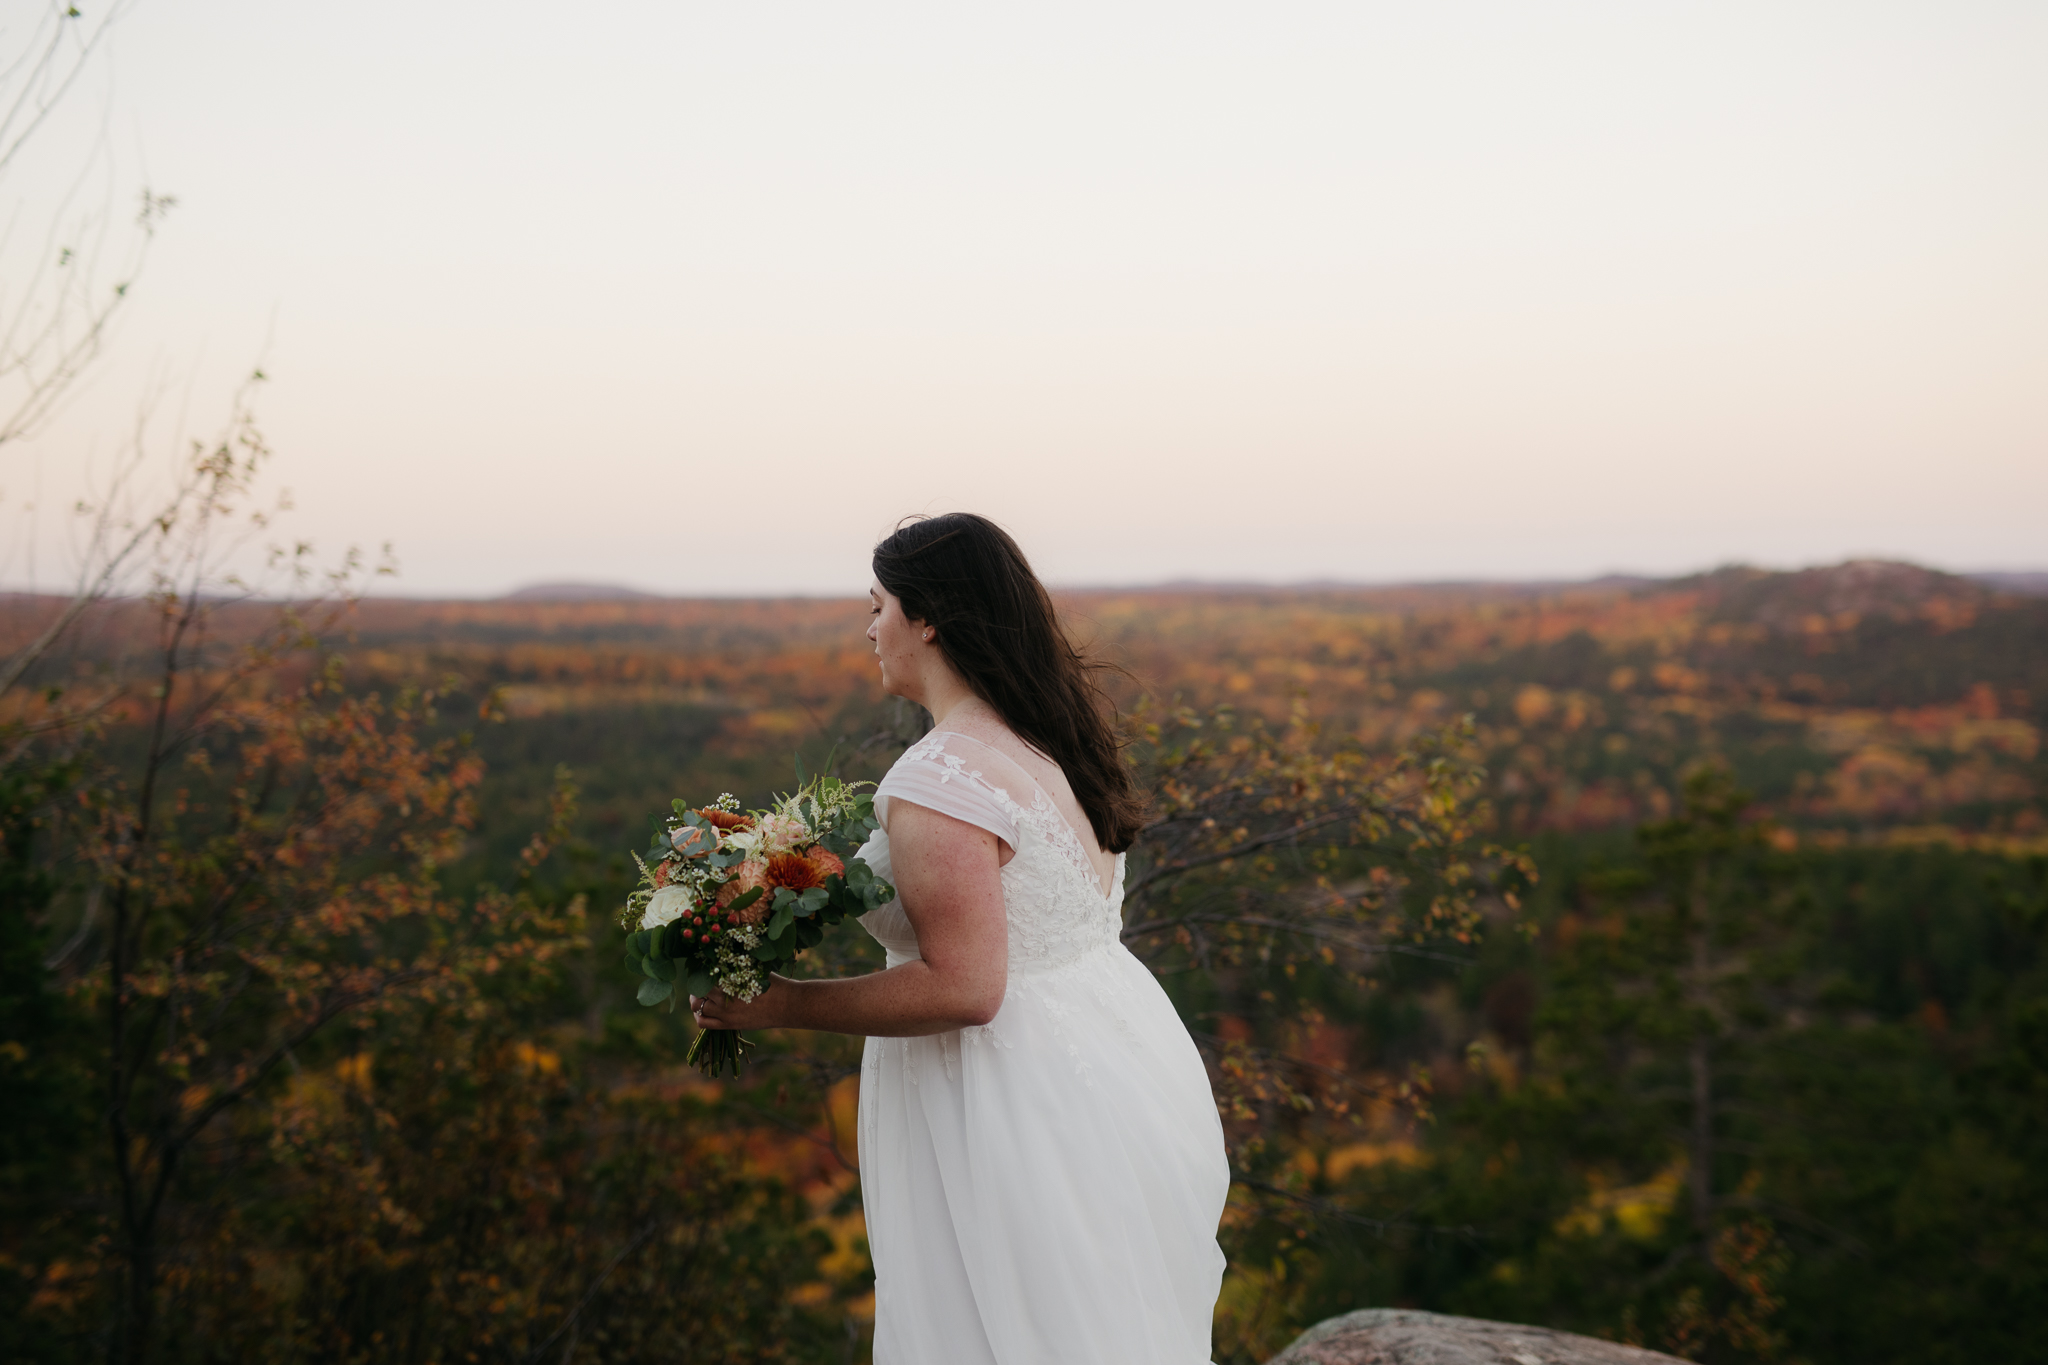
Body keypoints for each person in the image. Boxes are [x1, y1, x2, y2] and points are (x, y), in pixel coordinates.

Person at [691, 513, 1229, 1364]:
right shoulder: (1044, 746)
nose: (870, 628)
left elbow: (965, 987)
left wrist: (783, 1004)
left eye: (879, 605)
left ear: (928, 618)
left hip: (1002, 1101)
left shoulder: (942, 777)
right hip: (1111, 1068)